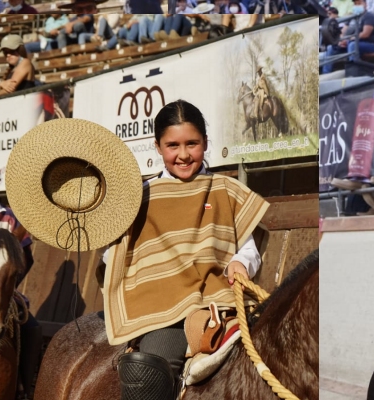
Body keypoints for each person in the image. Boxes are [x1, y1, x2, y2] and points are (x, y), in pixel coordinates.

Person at [100, 100, 268, 399]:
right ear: (157, 146)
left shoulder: (226, 190)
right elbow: (114, 255)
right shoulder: (141, 197)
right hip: (165, 311)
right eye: (172, 145)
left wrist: (241, 263)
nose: (183, 154)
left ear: (205, 142)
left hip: (222, 301)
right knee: (150, 370)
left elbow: (249, 250)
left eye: (192, 143)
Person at [0, 160, 42, 399]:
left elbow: (25, 257)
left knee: (32, 328)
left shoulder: (9, 217)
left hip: (3, 287)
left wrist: (11, 285)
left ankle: (24, 388)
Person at [321, 0, 374, 74]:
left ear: (365, 4)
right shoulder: (352, 17)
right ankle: (326, 73)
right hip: (351, 43)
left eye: (359, 3)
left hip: (369, 44)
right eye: (355, 4)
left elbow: (365, 34)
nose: (357, 5)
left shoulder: (369, 16)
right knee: (331, 48)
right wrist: (341, 40)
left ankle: (353, 71)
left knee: (352, 45)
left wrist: (349, 40)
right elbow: (343, 32)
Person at [0, 35, 36, 105]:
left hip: (25, 106)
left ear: (20, 50)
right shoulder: (12, 69)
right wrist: (1, 84)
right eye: (5, 52)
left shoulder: (25, 62)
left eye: (12, 51)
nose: (8, 55)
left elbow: (11, 88)